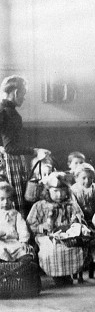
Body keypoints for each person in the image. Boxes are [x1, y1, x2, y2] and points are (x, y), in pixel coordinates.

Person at [0, 75, 50, 216]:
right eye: (24, 94)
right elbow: (10, 148)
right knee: (14, 206)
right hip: (8, 165)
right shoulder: (10, 114)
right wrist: (35, 151)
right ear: (16, 92)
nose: (24, 98)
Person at [27, 172, 88, 286]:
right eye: (55, 191)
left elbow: (80, 218)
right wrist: (43, 227)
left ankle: (67, 274)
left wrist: (75, 223)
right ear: (48, 190)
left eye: (62, 190)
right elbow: (31, 224)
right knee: (52, 249)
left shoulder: (72, 204)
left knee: (72, 247)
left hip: (67, 235)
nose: (59, 194)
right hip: (46, 236)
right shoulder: (40, 205)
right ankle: (57, 276)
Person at [0, 182, 34, 262]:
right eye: (1, 199)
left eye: (9, 199)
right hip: (1, 242)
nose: (5, 202)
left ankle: (20, 265)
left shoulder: (15, 214)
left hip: (14, 243)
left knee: (25, 250)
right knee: (1, 251)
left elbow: (22, 228)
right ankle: (5, 266)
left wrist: (24, 241)